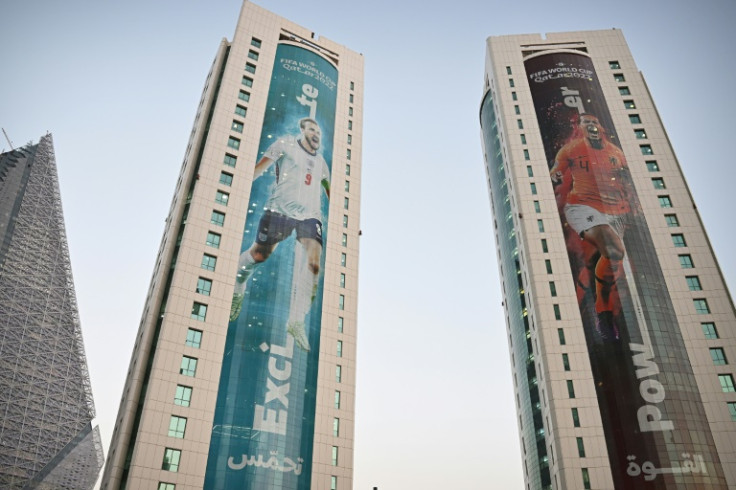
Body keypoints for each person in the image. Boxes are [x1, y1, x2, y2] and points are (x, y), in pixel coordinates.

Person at [230, 117, 330, 351]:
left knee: (315, 263)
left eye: (319, 132)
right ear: (303, 130)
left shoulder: (322, 164)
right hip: (280, 211)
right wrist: (235, 185)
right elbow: (259, 169)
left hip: (309, 216)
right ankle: (237, 286)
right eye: (312, 129)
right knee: (259, 255)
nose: (316, 134)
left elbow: (331, 193)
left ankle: (296, 320)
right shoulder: (284, 144)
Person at [550, 113, 634, 340]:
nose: (591, 125)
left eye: (594, 122)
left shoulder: (616, 154)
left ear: (601, 127)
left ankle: (603, 312)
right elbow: (554, 175)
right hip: (582, 207)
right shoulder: (571, 150)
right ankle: (597, 310)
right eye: (586, 123)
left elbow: (628, 183)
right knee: (614, 250)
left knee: (612, 262)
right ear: (580, 129)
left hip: (615, 212)